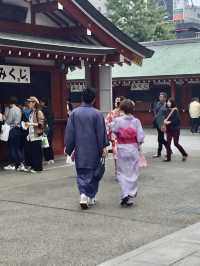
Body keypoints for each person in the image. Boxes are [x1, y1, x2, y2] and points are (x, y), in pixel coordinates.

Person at [65, 88, 108, 209]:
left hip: (80, 149)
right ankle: (91, 196)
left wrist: (69, 148)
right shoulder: (98, 114)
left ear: (82, 98)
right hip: (94, 149)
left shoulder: (74, 113)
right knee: (94, 173)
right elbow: (101, 133)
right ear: (94, 99)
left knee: (82, 172)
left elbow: (70, 133)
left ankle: (83, 194)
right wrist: (103, 147)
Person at [112, 99, 144, 207]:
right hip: (133, 148)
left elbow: (114, 131)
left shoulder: (118, 121)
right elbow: (140, 137)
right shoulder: (136, 121)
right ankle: (130, 195)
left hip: (122, 147)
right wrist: (138, 146)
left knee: (122, 172)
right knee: (133, 172)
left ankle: (125, 193)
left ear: (121, 109)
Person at [105, 96, 125, 174]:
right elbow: (106, 123)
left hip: (125, 137)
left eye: (118, 102)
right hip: (115, 137)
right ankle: (117, 170)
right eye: (116, 102)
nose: (116, 104)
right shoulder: (112, 113)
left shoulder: (126, 113)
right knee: (116, 153)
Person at [4, 97, 24, 171]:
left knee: (12, 148)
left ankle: (14, 164)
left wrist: (4, 118)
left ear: (10, 102)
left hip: (12, 130)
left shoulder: (12, 110)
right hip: (18, 129)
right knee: (17, 148)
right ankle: (21, 164)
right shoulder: (19, 109)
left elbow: (8, 121)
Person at [26, 96, 44, 173]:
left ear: (34, 103)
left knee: (37, 152)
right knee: (33, 152)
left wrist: (30, 123)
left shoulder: (38, 112)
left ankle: (38, 168)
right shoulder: (32, 112)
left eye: (30, 102)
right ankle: (34, 167)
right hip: (31, 135)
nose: (28, 103)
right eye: (29, 102)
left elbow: (41, 124)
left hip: (37, 135)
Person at [153, 92, 169, 158]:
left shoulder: (167, 105)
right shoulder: (157, 103)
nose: (160, 98)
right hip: (157, 122)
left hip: (163, 123)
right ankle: (168, 149)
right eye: (160, 96)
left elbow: (168, 114)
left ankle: (159, 153)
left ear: (165, 98)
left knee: (160, 139)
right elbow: (155, 111)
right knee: (161, 138)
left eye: (162, 97)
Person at [40, 99, 55, 164]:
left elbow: (43, 120)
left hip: (45, 129)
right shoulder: (50, 110)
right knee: (49, 144)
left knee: (45, 144)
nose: (40, 103)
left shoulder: (42, 111)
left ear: (43, 103)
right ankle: (51, 158)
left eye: (41, 102)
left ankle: (47, 158)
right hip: (50, 129)